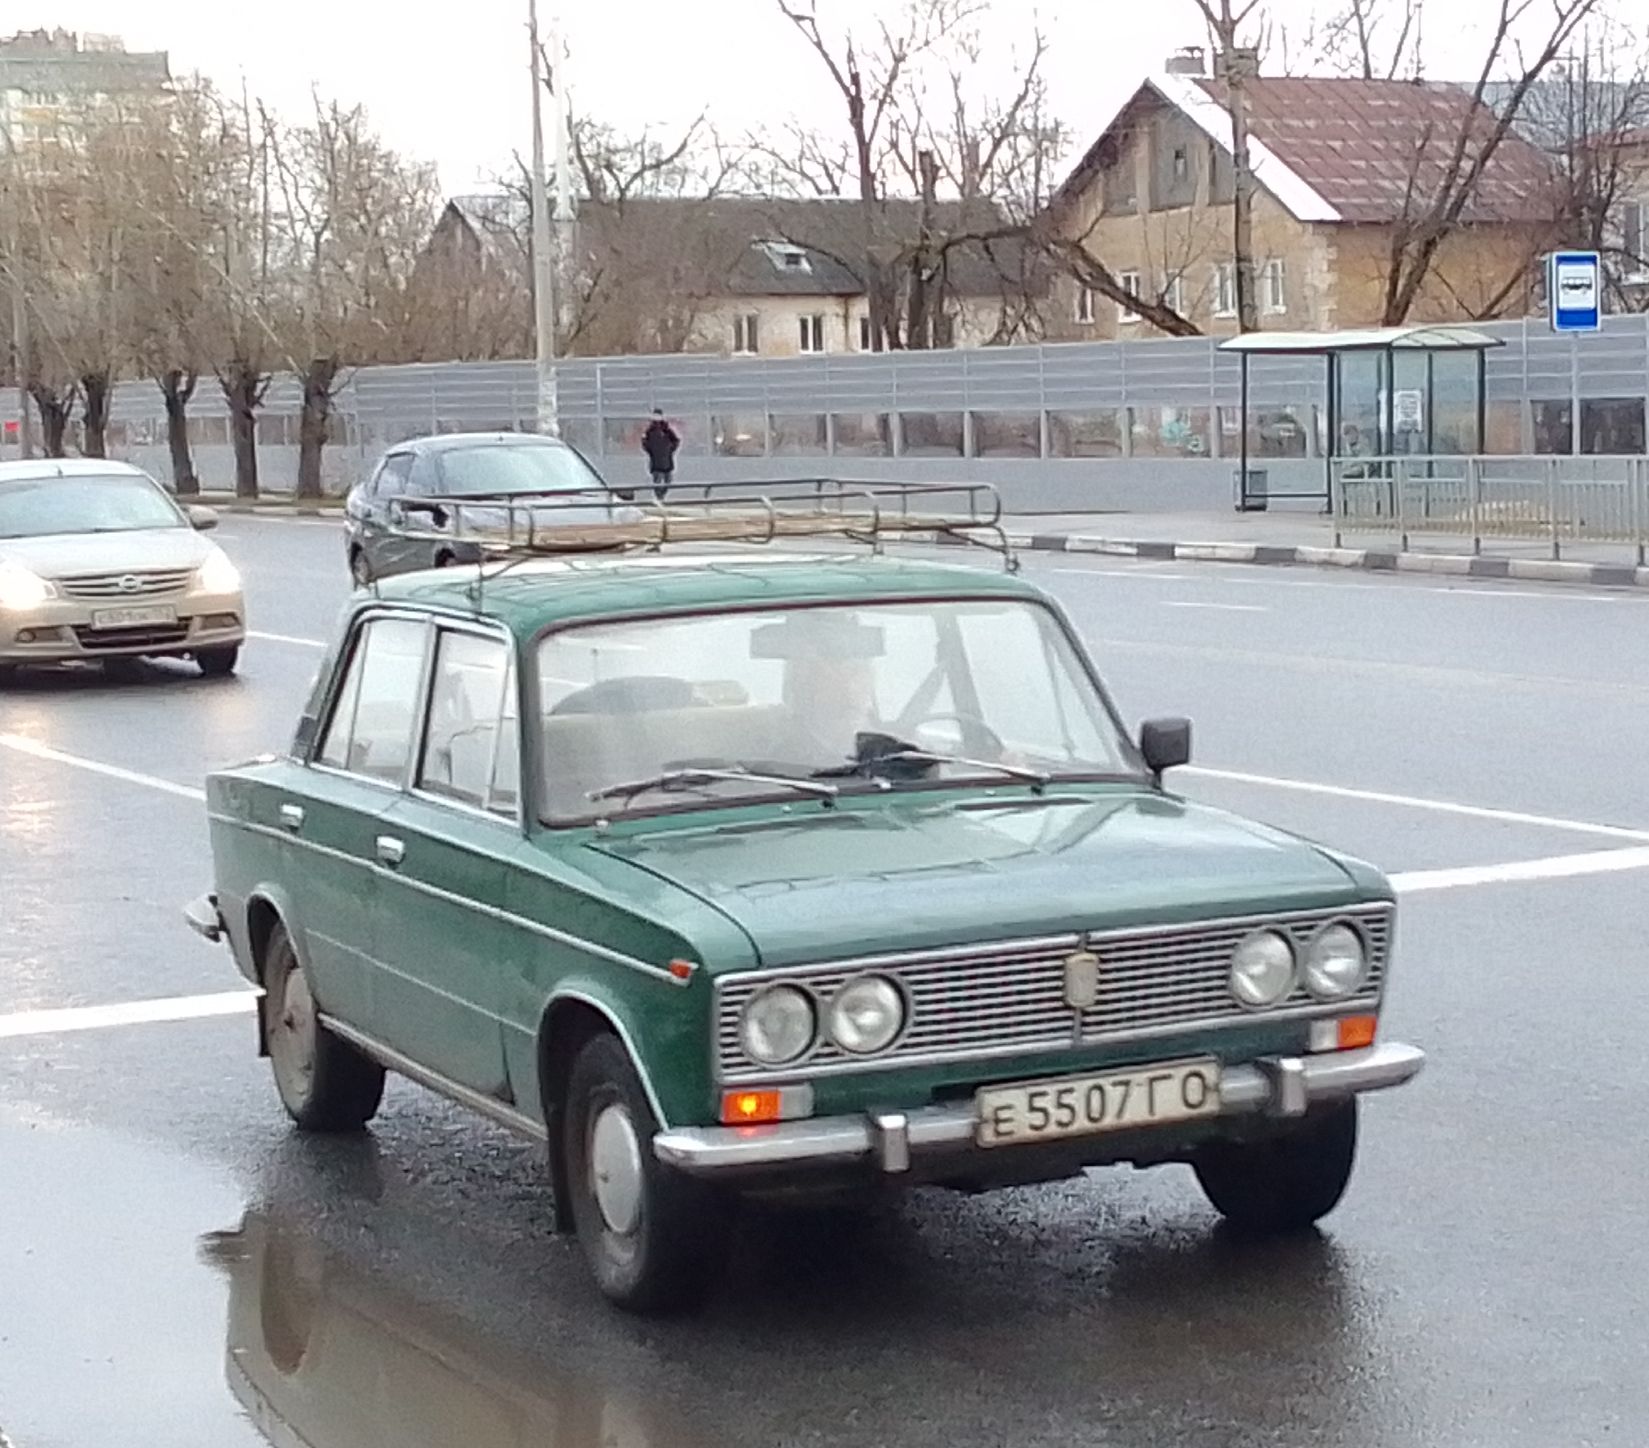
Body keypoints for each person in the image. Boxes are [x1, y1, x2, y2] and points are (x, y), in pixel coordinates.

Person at [641, 410, 680, 502]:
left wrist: (670, 450)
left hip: (667, 461)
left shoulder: (666, 429)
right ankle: (659, 498)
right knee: (657, 481)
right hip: (656, 462)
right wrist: (652, 451)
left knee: (668, 480)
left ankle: (661, 497)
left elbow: (676, 440)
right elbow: (644, 443)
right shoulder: (650, 431)